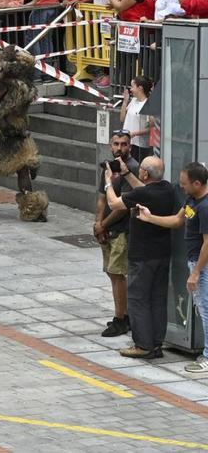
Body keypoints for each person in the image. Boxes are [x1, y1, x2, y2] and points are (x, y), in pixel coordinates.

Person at [135, 162, 208, 371]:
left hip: (202, 265)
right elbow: (177, 221)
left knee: (205, 310)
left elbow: (207, 244)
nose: (181, 187)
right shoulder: (192, 200)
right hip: (195, 263)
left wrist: (195, 273)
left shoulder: (205, 207)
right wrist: (150, 218)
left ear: (197, 183)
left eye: (185, 184)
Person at [105, 156, 178, 358]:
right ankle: (155, 344)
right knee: (157, 299)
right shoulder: (168, 190)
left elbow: (113, 203)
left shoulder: (143, 194)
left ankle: (142, 345)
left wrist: (108, 182)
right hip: (162, 254)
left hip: (142, 256)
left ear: (145, 173)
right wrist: (128, 173)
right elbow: (142, 191)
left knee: (137, 299)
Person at [95, 130, 138, 338]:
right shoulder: (107, 167)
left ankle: (121, 320)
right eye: (116, 144)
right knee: (112, 273)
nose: (119, 148)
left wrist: (102, 224)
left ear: (130, 146)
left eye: (124, 144)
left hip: (123, 230)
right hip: (107, 229)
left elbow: (123, 207)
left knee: (118, 274)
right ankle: (124, 315)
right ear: (110, 145)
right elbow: (102, 198)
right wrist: (97, 224)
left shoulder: (133, 170)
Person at [120, 75, 155, 162]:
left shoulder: (148, 104)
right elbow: (122, 119)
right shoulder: (133, 101)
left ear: (140, 88)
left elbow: (151, 128)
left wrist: (135, 133)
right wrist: (125, 101)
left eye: (133, 87)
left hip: (139, 145)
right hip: (127, 142)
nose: (131, 89)